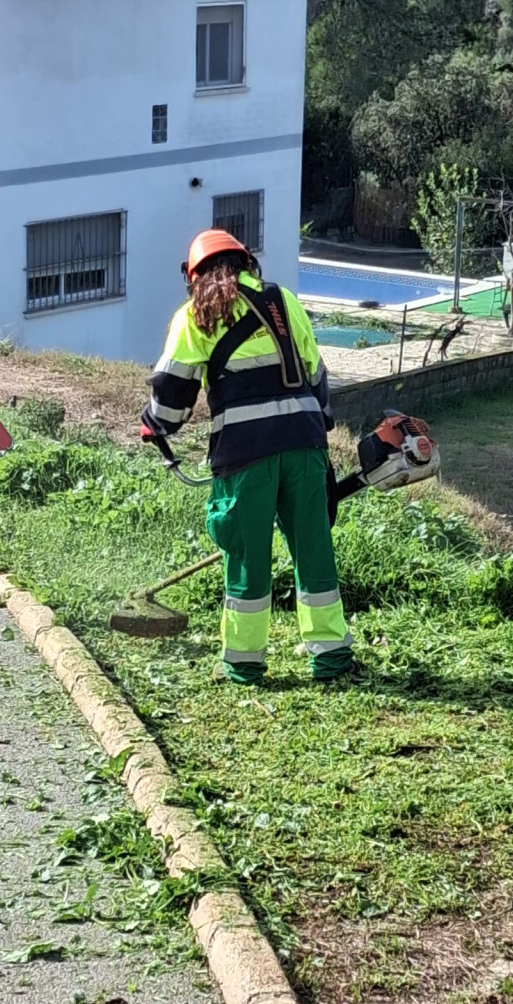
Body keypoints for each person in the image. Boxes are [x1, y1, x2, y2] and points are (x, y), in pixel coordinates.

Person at [140, 229, 354, 685]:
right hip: (304, 443)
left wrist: (154, 425)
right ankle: (331, 657)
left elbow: (173, 395)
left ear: (193, 277)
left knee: (246, 555)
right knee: (314, 549)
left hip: (246, 455)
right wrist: (316, 431)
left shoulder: (194, 316)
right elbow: (317, 375)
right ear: (246, 264)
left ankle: (244, 663)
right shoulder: (283, 302)